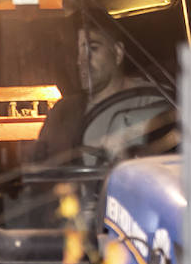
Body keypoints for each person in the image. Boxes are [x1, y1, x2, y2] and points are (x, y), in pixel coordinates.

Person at [39, 17, 174, 162]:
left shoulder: (153, 99)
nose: (82, 60)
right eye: (77, 51)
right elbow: (45, 173)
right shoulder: (63, 113)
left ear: (117, 52)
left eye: (92, 48)